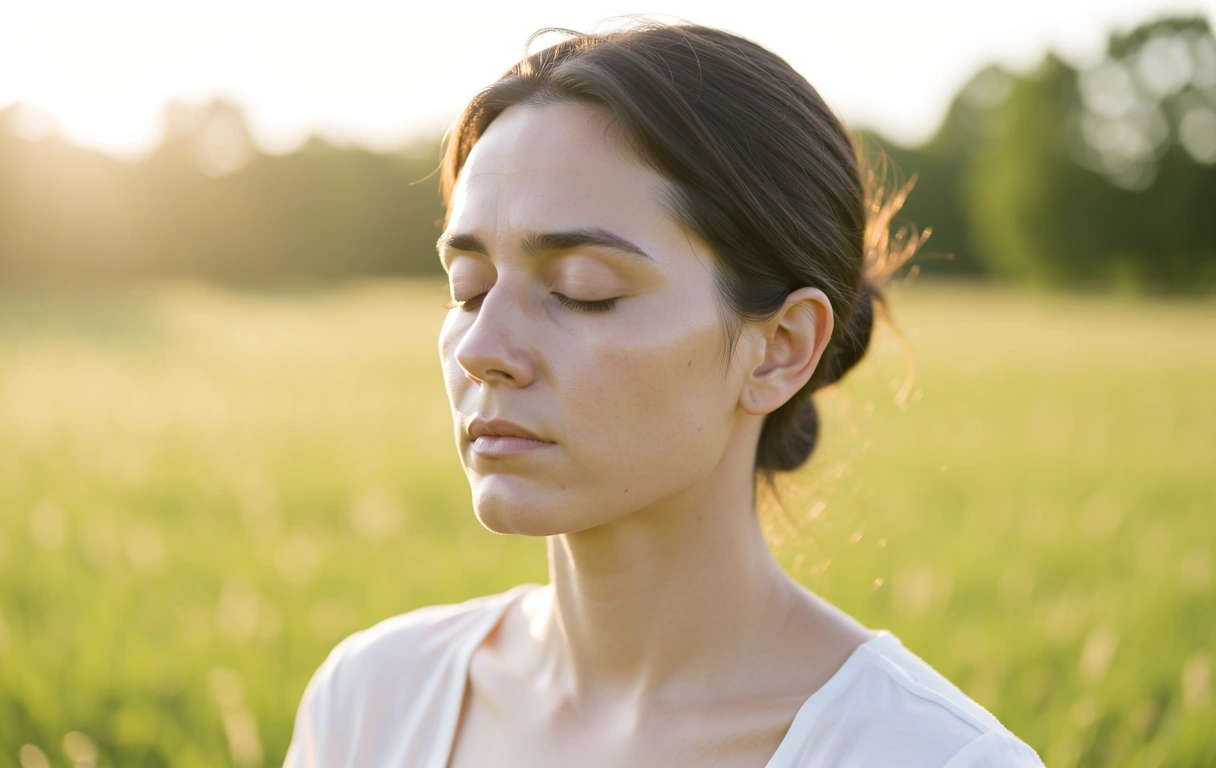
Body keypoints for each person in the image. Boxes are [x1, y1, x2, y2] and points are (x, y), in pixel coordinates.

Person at [283, 20, 1045, 768]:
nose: (483, 350)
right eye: (470, 289)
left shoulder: (929, 757)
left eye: (582, 291)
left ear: (780, 348)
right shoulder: (370, 700)